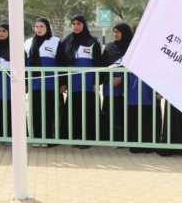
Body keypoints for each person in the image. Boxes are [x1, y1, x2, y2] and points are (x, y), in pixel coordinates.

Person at [57, 15, 102, 146]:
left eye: (79, 24)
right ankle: (73, 137)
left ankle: (87, 139)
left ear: (84, 25)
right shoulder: (67, 41)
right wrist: (63, 82)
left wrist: (96, 82)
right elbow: (62, 63)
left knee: (87, 110)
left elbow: (98, 63)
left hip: (88, 85)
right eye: (74, 24)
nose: (76, 26)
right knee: (73, 110)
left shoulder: (92, 42)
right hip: (72, 84)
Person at [24, 18, 60, 142]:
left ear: (47, 28)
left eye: (42, 27)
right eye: (36, 26)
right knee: (35, 110)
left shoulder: (55, 41)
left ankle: (49, 139)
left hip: (51, 84)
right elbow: (24, 62)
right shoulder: (28, 42)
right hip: (34, 83)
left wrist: (62, 83)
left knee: (49, 111)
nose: (38, 29)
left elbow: (61, 62)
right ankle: (36, 137)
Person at [100, 23, 132, 142]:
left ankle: (124, 139)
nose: (115, 34)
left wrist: (122, 77)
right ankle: (109, 138)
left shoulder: (132, 47)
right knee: (110, 112)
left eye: (118, 32)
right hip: (111, 87)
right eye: (114, 32)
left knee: (124, 113)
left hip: (128, 88)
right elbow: (103, 66)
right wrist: (107, 79)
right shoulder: (109, 47)